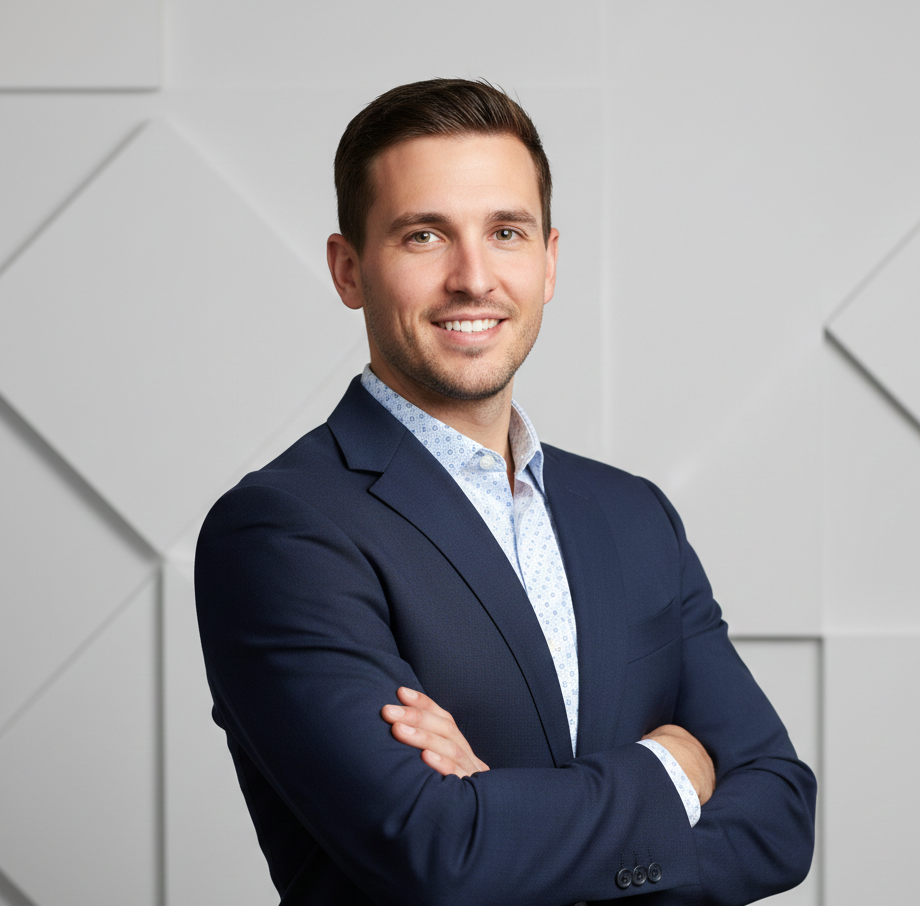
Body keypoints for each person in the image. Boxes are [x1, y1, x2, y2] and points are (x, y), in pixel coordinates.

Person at [195, 78, 816, 906]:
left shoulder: (632, 516)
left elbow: (779, 813)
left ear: (549, 261)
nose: (473, 277)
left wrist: (508, 819)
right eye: (424, 235)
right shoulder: (281, 532)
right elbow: (441, 853)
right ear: (350, 270)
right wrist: (676, 767)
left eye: (506, 232)